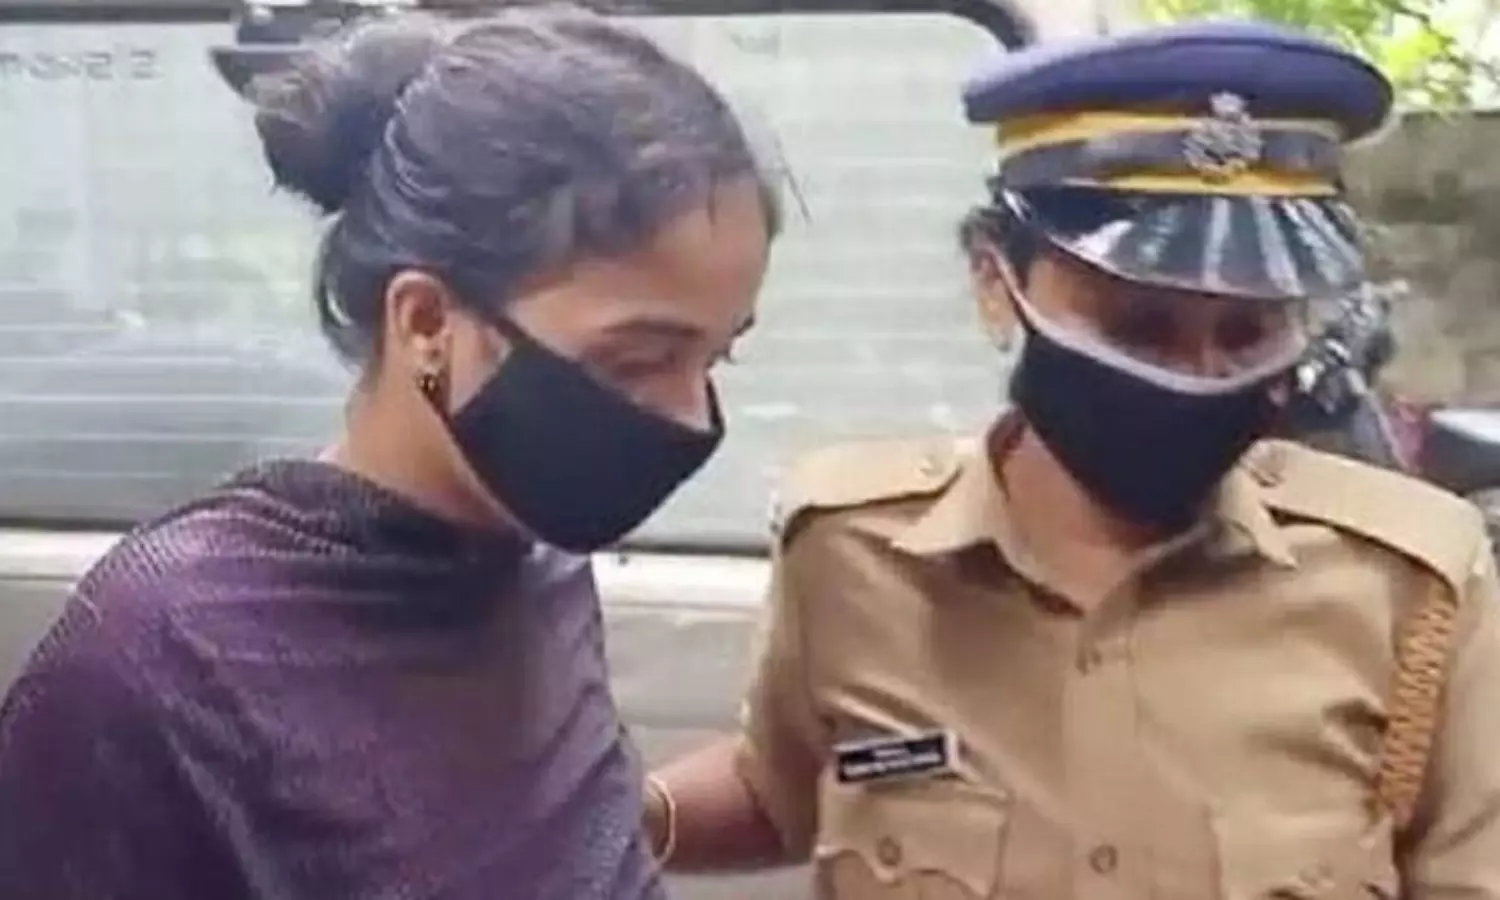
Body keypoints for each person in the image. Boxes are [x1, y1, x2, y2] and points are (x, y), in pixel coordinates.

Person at [644, 19, 1500, 899]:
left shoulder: (1411, 589)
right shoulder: (850, 553)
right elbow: (779, 790)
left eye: (1247, 332)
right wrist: (607, 818)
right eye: (1139, 324)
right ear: (996, 281)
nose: (1199, 374)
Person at [0, 7, 776, 899]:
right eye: (636, 361)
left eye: (717, 358)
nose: (688, 416)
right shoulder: (162, 659)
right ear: (426, 322)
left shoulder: (538, 557)